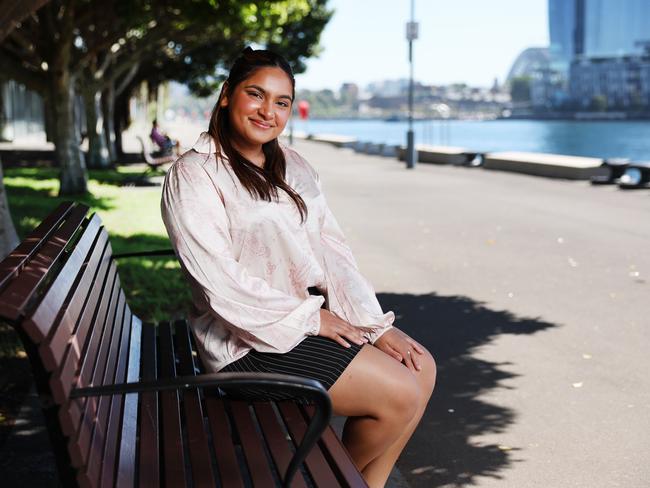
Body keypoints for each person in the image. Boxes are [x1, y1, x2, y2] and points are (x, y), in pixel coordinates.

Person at [161, 47, 436, 488]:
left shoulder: (293, 166)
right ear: (228, 95)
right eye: (256, 94)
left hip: (298, 328)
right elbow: (218, 284)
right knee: (399, 393)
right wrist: (312, 318)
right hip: (243, 344)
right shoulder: (196, 175)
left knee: (421, 368)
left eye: (282, 102)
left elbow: (333, 252)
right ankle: (319, 481)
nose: (268, 111)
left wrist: (374, 325)